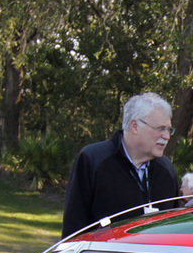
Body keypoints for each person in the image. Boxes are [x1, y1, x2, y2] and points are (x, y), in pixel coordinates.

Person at [61, 93, 179, 236]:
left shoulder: (166, 170)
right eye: (161, 128)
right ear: (134, 126)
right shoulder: (93, 160)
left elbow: (173, 228)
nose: (166, 136)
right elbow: (73, 226)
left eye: (169, 130)